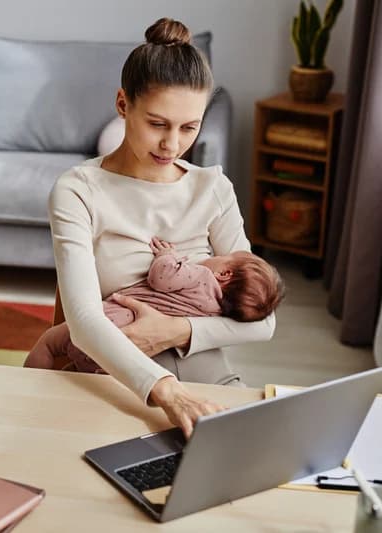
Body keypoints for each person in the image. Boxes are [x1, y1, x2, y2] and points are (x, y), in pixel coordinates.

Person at [25, 17, 276, 437]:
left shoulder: (212, 188)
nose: (172, 144)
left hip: (208, 379)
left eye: (189, 127)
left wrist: (176, 331)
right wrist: (165, 390)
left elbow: (264, 322)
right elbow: (84, 321)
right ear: (123, 105)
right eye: (157, 123)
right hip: (116, 384)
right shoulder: (79, 190)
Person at [26, 237, 284, 373]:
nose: (212, 257)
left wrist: (166, 255)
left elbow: (161, 278)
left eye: (222, 257)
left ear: (224, 274)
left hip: (111, 322)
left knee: (50, 341)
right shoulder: (213, 312)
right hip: (126, 356)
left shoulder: (202, 276)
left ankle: (26, 388)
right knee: (80, 369)